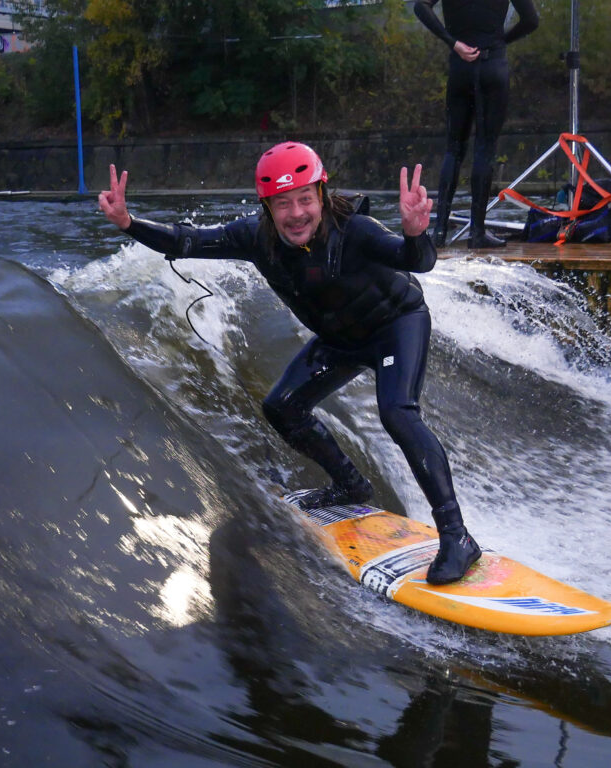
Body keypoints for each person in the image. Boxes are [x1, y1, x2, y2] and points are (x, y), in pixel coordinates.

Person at [97, 142, 482, 585]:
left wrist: (416, 233)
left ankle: (456, 536)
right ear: (267, 208)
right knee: (282, 406)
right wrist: (127, 223)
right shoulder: (254, 238)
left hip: (396, 325)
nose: (296, 213)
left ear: (321, 194)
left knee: (397, 412)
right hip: (340, 338)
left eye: (304, 199)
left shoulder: (356, 230)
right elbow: (187, 241)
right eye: (283, 203)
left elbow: (417, 261)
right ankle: (350, 486)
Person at [414, 0, 539, 249]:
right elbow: (531, 20)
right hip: (493, 64)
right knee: (485, 148)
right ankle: (477, 232)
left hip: (460, 67)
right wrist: (503, 39)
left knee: (453, 149)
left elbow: (421, 6)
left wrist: (453, 42)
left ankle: (439, 232)